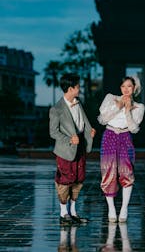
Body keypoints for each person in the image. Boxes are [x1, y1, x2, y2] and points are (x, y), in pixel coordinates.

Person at [49, 73, 96, 225]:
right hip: (65, 149)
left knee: (79, 178)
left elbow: (83, 122)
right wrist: (69, 139)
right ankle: (63, 214)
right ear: (70, 88)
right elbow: (53, 132)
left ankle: (73, 212)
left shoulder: (78, 103)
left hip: (80, 145)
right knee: (65, 179)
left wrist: (89, 131)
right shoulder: (56, 109)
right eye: (77, 87)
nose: (79, 89)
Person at [98, 76, 145, 223]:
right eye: (123, 86)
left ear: (134, 89)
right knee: (108, 171)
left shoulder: (139, 107)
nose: (126, 89)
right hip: (109, 135)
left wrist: (127, 111)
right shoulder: (110, 98)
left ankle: (124, 208)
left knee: (127, 171)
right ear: (120, 87)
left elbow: (134, 129)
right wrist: (118, 106)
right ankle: (111, 209)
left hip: (125, 136)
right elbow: (102, 119)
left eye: (129, 86)